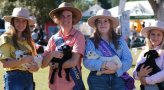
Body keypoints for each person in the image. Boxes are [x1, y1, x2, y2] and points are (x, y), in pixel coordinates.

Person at [83, 9, 133, 90]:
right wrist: (104, 64)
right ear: (96, 24)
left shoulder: (120, 40)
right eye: (99, 21)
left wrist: (116, 69)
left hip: (118, 78)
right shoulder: (91, 42)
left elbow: (128, 59)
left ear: (111, 23)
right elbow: (87, 61)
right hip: (97, 79)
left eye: (105, 21)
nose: (102, 24)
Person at [41, 2, 85, 90]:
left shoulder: (78, 36)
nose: (66, 19)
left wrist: (54, 64)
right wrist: (52, 54)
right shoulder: (53, 39)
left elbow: (73, 62)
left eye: (69, 16)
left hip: (72, 86)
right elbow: (43, 64)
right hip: (55, 86)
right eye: (62, 16)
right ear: (57, 18)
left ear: (73, 18)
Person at [0, 7, 39, 90]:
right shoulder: (5, 38)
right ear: (13, 21)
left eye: (24, 21)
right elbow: (5, 63)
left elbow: (35, 62)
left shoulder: (29, 40)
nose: (21, 24)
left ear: (27, 23)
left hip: (29, 78)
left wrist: (35, 67)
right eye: (17, 20)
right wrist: (23, 61)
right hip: (14, 78)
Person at [133, 20, 164, 90]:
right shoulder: (145, 51)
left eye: (159, 34)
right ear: (149, 36)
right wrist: (139, 74)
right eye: (153, 34)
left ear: (163, 37)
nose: (155, 37)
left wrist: (146, 80)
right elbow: (134, 72)